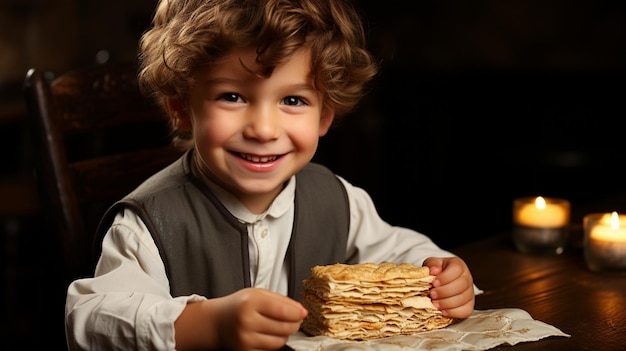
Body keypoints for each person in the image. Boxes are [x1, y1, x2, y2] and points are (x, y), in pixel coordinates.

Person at [65, 0, 476, 350]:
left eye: (293, 100)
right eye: (232, 96)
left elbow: (398, 250)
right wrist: (207, 324)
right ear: (180, 108)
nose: (263, 129)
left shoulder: (337, 199)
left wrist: (442, 276)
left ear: (324, 115)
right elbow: (90, 319)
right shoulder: (149, 224)